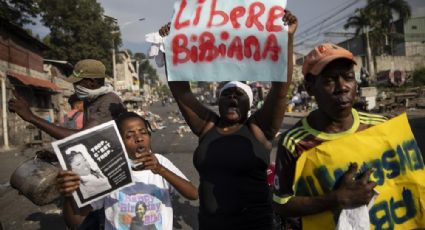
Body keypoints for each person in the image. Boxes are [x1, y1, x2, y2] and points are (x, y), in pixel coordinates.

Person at [159, 11, 298, 230]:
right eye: (227, 94)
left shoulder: (258, 129)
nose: (232, 96)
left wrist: (287, 38)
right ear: (219, 101)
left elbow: (280, 89)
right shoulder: (207, 127)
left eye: (239, 94)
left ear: (249, 104)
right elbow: (181, 92)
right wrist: (171, 48)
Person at [272, 43, 388, 229]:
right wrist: (335, 199)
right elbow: (280, 202)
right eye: (329, 80)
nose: (342, 87)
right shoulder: (295, 142)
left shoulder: (380, 126)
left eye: (348, 77)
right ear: (309, 88)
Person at [56, 111, 198, 230]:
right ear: (118, 142)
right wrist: (69, 196)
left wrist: (161, 170)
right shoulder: (109, 169)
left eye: (143, 132)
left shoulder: (161, 162)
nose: (138, 138)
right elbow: (75, 222)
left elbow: (193, 194)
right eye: (129, 136)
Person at [8, 59, 126, 139]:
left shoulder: (109, 101)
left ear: (92, 82)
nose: (74, 87)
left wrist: (31, 117)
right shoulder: (91, 100)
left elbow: (82, 137)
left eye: (77, 83)